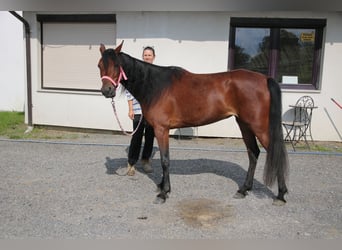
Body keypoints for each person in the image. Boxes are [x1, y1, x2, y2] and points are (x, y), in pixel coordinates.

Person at [124, 46, 156, 176]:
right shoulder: (136, 72)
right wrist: (130, 108)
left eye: (149, 55)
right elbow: (129, 90)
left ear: (154, 57)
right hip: (138, 110)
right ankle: (131, 163)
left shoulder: (156, 73)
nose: (147, 57)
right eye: (145, 55)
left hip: (153, 112)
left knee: (149, 137)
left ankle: (146, 160)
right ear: (142, 56)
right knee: (136, 137)